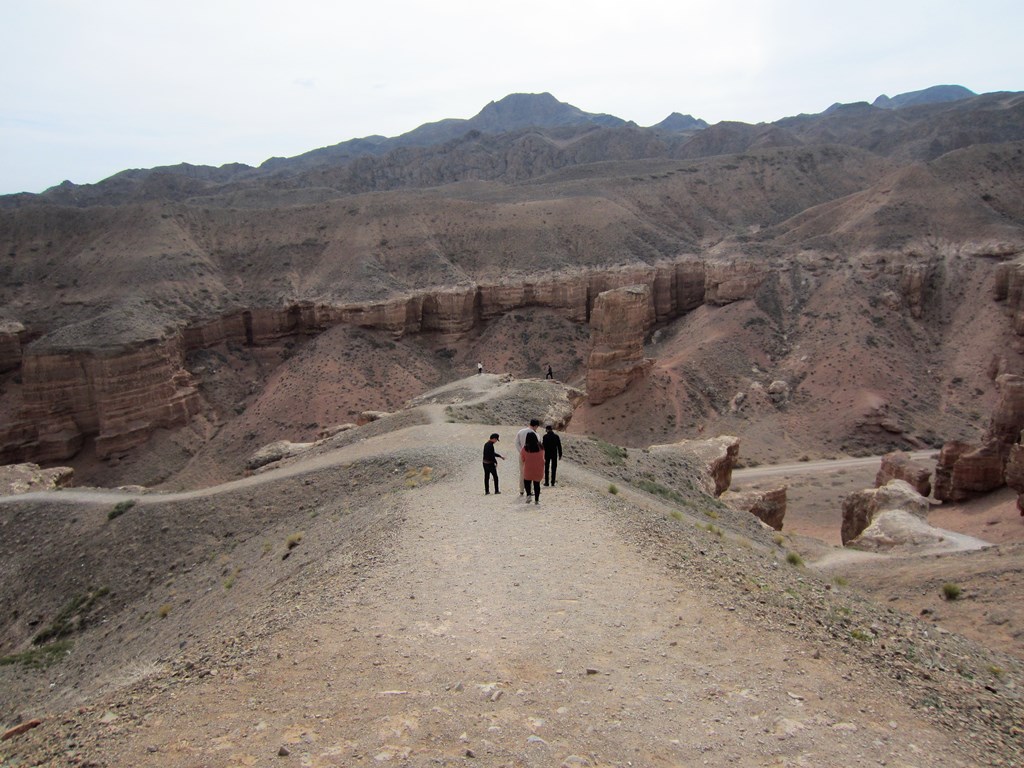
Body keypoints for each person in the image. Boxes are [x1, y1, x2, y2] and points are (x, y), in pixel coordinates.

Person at [515, 418, 541, 496]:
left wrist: (522, 452)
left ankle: (522, 490)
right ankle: (530, 490)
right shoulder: (535, 434)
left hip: (522, 455)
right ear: (536, 426)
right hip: (532, 456)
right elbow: (538, 446)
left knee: (522, 472)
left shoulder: (521, 431)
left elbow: (516, 443)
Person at [521, 430, 544, 504]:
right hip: (539, 469)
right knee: (537, 484)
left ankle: (528, 495)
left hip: (528, 468)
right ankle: (537, 500)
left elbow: (523, 459)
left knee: (527, 482)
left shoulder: (525, 448)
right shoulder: (541, 447)